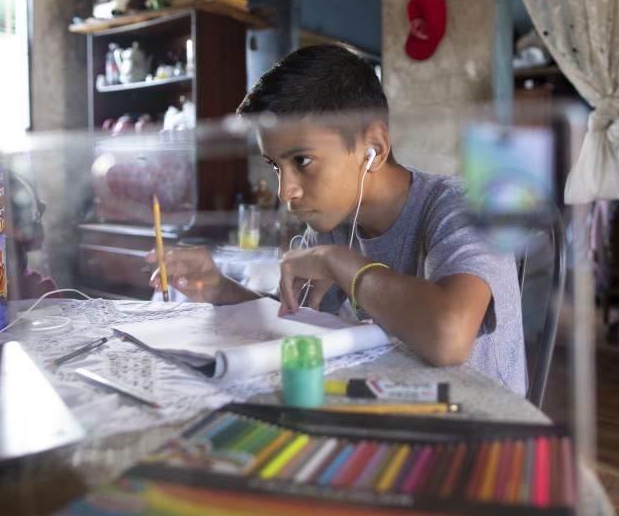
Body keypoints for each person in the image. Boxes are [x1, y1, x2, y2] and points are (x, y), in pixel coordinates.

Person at [150, 44, 526, 394]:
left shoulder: (462, 206)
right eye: (275, 166)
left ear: (373, 150)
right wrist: (220, 288)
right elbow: (300, 323)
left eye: (302, 161)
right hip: (393, 407)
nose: (286, 191)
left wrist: (339, 262)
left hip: (482, 432)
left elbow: (449, 336)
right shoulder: (335, 221)